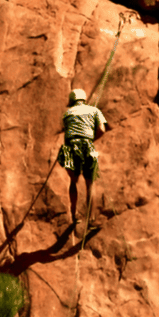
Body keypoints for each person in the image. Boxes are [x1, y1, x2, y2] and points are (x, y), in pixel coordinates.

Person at [60, 88, 108, 233]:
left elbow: (67, 132)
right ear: (84, 99)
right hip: (87, 146)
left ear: (72, 101)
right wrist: (90, 139)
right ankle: (91, 220)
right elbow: (102, 129)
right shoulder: (94, 110)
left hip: (70, 147)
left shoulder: (67, 114)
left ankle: (74, 215)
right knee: (90, 184)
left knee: (73, 181)